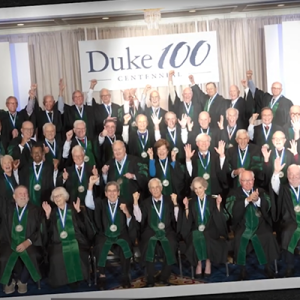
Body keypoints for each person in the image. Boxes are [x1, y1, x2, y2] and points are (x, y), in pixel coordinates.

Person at [225, 170, 279, 280]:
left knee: (267, 236)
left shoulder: (261, 191)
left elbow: (268, 205)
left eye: (250, 180)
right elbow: (231, 210)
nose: (248, 183)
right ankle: (242, 270)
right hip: (243, 226)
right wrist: (247, 200)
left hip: (261, 225)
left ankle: (268, 267)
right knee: (240, 239)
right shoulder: (233, 193)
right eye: (245, 181)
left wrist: (258, 200)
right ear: (240, 181)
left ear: (253, 180)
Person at [85, 179, 135, 289]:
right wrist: (90, 186)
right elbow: (88, 204)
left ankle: (125, 275)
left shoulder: (125, 202)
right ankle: (102, 275)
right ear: (106, 193)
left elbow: (130, 222)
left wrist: (126, 211)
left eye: (114, 191)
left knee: (126, 246)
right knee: (99, 246)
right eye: (109, 191)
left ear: (118, 192)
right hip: (104, 234)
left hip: (121, 233)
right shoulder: (100, 203)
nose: (112, 193)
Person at [42, 187, 94, 288]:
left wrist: (79, 212)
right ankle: (60, 280)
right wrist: (47, 217)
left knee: (76, 250)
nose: (57, 198)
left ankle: (75, 279)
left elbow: (84, 227)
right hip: (57, 242)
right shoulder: (52, 213)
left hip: (77, 241)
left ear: (65, 197)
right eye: (55, 196)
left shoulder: (74, 209)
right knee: (56, 255)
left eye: (59, 195)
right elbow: (47, 232)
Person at [133, 178, 179, 287]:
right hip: (151, 230)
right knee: (148, 243)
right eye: (152, 188)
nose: (155, 190)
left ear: (161, 188)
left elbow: (176, 219)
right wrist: (135, 202)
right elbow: (139, 219)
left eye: (157, 187)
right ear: (149, 190)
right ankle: (150, 278)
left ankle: (164, 276)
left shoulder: (169, 201)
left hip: (167, 229)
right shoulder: (145, 203)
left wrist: (176, 204)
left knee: (171, 243)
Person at [180, 177, 229, 278]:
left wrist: (218, 205)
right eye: (196, 188)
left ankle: (207, 262)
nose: (198, 191)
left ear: (205, 187)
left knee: (206, 236)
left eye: (200, 187)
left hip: (211, 228)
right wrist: (186, 207)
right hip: (195, 228)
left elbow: (222, 217)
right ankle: (198, 262)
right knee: (197, 236)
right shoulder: (191, 201)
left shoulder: (213, 200)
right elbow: (187, 220)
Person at [0, 186, 42, 294]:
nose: (23, 196)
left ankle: (22, 281)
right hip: (10, 242)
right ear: (14, 196)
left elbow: (39, 229)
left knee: (32, 256)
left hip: (29, 243)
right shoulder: (7, 210)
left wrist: (28, 242)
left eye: (25, 194)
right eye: (20, 194)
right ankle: (8, 282)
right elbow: (3, 228)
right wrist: (11, 242)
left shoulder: (35, 210)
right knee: (4, 257)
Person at [271, 163, 300, 277]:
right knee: (287, 233)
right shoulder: (283, 189)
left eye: (297, 174)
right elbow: (274, 185)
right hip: (290, 221)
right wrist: (276, 172)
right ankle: (290, 266)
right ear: (287, 176)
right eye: (291, 175)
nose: (294, 177)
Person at [102, 141, 149, 205]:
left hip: (133, 201)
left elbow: (145, 175)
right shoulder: (109, 164)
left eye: (119, 149)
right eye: (115, 150)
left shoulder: (135, 160)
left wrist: (134, 176)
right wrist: (104, 174)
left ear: (124, 149)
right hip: (116, 203)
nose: (117, 152)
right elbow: (106, 184)